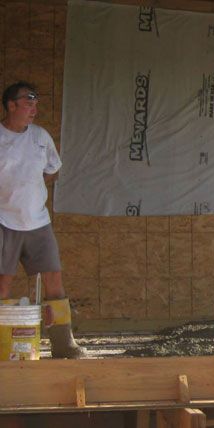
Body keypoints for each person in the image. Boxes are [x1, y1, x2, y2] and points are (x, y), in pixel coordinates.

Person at [0, 82, 85, 358]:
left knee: (54, 278)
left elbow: (52, 170)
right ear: (11, 105)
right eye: (28, 103)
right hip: (4, 221)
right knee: (3, 282)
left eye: (36, 103)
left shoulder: (40, 136)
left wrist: (31, 190)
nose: (34, 109)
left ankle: (63, 344)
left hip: (38, 222)